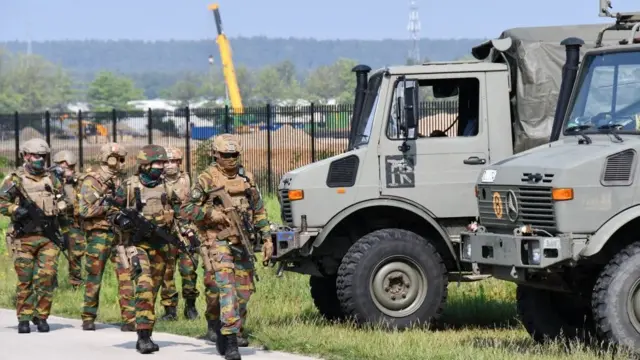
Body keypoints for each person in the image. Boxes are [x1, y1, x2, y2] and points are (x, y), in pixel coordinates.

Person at [180, 134, 273, 360]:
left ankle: (224, 329)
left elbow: (258, 210)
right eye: (225, 155)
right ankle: (231, 340)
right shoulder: (206, 178)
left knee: (244, 291)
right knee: (227, 288)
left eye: (234, 155)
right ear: (215, 154)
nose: (230, 159)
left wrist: (267, 237)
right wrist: (212, 214)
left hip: (243, 240)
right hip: (217, 240)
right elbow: (186, 209)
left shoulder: (247, 178)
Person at [109, 144, 183, 354]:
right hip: (136, 245)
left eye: (164, 162)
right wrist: (120, 220)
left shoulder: (167, 187)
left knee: (155, 290)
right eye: (158, 162)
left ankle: (147, 328)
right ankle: (143, 336)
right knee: (144, 286)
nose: (162, 166)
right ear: (146, 164)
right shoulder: (129, 186)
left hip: (160, 246)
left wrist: (186, 234)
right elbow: (111, 210)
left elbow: (179, 213)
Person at [0, 138, 69, 333]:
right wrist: (15, 209)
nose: (39, 159)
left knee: (46, 278)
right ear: (26, 156)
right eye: (35, 156)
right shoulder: (14, 179)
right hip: (23, 239)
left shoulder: (53, 179)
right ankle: (24, 317)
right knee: (25, 279)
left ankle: (42, 316)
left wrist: (65, 233)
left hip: (48, 238)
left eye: (42, 156)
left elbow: (63, 203)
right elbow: (1, 202)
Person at [78, 142, 136, 332]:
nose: (121, 163)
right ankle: (88, 317)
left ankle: (129, 319)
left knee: (126, 275)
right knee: (94, 276)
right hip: (99, 235)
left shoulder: (122, 181)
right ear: (109, 159)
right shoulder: (92, 181)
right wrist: (109, 209)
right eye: (119, 159)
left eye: (122, 159)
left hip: (120, 235)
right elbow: (85, 210)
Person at [158, 146, 200, 321]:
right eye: (166, 161)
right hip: (165, 233)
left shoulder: (188, 180)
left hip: (186, 231)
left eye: (173, 161)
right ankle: (169, 310)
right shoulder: (156, 182)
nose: (170, 165)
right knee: (167, 272)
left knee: (188, 270)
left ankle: (190, 307)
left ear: (179, 163)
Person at [51, 150, 85, 289]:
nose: (65, 170)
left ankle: (75, 284)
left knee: (75, 253)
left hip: (71, 222)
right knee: (51, 254)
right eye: (61, 166)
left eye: (68, 167)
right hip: (53, 223)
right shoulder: (50, 179)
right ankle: (52, 285)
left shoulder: (79, 180)